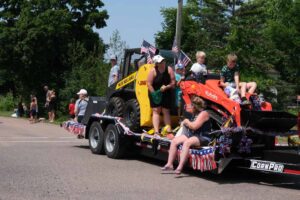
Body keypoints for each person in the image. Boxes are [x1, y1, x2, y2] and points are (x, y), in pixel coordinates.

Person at [162, 96, 211, 175]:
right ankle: (169, 164)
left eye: (191, 105)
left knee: (187, 142)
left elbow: (194, 126)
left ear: (195, 106)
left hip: (203, 136)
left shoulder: (204, 114)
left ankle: (180, 167)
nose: (190, 107)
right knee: (174, 141)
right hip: (192, 134)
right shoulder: (195, 113)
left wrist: (186, 121)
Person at [147, 55, 175, 134]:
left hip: (166, 92)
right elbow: (149, 84)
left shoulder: (169, 69)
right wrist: (154, 94)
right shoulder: (153, 71)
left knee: (166, 110)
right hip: (155, 92)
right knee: (156, 110)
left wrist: (166, 87)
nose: (163, 63)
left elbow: (173, 82)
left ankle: (168, 131)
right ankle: (156, 131)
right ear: (157, 64)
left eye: (163, 61)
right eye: (160, 62)